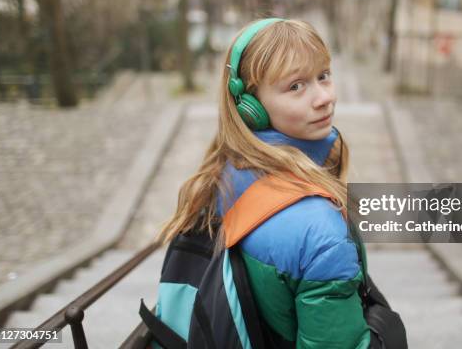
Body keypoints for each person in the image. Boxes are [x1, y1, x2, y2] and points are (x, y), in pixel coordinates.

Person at [158, 18, 371, 348]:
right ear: (250, 107)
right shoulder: (321, 229)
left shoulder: (219, 174)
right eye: (296, 86)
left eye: (323, 76)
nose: (324, 98)